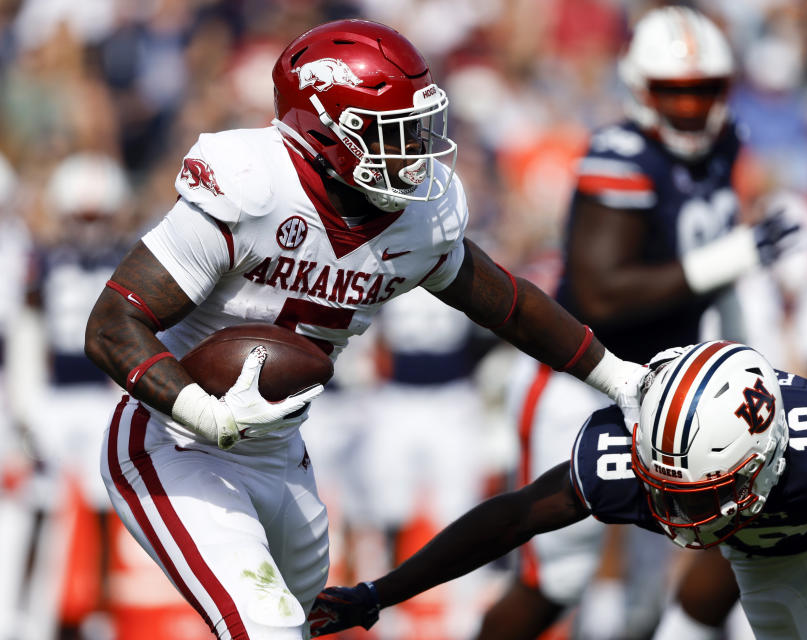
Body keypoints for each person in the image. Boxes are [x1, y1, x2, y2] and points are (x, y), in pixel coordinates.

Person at [83, 19, 652, 640]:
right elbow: (113, 325)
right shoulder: (252, 186)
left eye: (419, 130)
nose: (415, 154)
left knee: (296, 623)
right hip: (176, 441)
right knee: (264, 625)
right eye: (394, 134)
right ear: (327, 130)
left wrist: (621, 379)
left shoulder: (417, 222)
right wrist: (205, 413)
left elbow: (508, 304)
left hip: (280, 451)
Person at [487, 7, 799, 638]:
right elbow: (601, 296)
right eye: (675, 93)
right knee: (556, 579)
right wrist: (727, 256)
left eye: (704, 91)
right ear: (640, 89)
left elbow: (717, 276)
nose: (692, 108)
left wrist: (749, 352)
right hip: (583, 380)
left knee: (660, 571)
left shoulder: (722, 145)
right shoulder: (619, 156)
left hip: (667, 386)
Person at [309, 340, 807, 640]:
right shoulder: (632, 455)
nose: (678, 514)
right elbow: (511, 519)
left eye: (701, 493)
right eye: (666, 489)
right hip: (774, 561)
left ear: (762, 463)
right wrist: (378, 593)